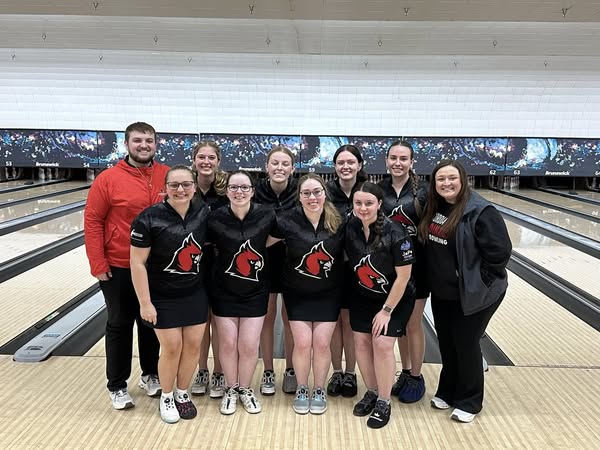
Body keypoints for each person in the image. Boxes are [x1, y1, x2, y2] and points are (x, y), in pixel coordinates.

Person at [417, 160, 511, 423]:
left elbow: (500, 254)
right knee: (447, 342)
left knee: (466, 343)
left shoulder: (480, 211)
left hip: (475, 293)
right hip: (444, 292)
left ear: (463, 180)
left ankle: (469, 401)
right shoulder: (436, 206)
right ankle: (448, 391)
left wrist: (474, 281)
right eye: (440, 180)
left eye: (452, 178)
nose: (446, 183)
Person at [84, 122, 168, 410]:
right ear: (126, 144)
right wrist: (97, 263)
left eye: (148, 140)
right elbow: (93, 221)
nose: (143, 145)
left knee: (151, 323)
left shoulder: (166, 175)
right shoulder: (107, 179)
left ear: (156, 143)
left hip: (157, 267)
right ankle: (117, 385)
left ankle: (150, 374)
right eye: (137, 140)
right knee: (119, 324)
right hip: (119, 264)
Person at [130, 165, 210, 423]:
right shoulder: (148, 218)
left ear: (194, 188)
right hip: (162, 295)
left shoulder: (203, 212)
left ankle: (182, 393)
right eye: (174, 185)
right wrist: (145, 303)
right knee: (173, 347)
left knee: (193, 347)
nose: (180, 189)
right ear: (165, 188)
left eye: (186, 184)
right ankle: (166, 395)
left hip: (194, 292)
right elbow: (137, 263)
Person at [269, 174, 345, 415]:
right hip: (297, 292)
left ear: (324, 194)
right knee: (302, 343)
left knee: (322, 344)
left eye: (316, 192)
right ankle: (302, 388)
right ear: (299, 197)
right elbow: (260, 242)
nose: (312, 197)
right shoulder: (286, 221)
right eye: (306, 193)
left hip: (328, 293)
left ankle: (319, 388)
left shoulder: (338, 221)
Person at [345, 182, 416, 429]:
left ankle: (384, 401)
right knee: (361, 343)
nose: (363, 208)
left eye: (368, 203)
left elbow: (404, 277)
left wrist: (386, 311)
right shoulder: (351, 226)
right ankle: (373, 391)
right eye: (358, 203)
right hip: (363, 297)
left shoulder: (396, 233)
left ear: (379, 204)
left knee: (383, 344)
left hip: (395, 300)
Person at [207, 171, 277, 415]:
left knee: (248, 345)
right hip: (223, 290)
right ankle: (230, 389)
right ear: (226, 191)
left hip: (256, 290)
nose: (239, 192)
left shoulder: (266, 214)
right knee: (227, 343)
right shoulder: (214, 218)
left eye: (244, 187)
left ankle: (245, 390)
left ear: (252, 191)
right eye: (234, 187)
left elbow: (277, 236)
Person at [378, 140, 429, 403]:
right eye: (393, 158)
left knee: (412, 323)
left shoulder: (424, 192)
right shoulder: (379, 189)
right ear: (386, 160)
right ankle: (405, 371)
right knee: (398, 323)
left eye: (403, 158)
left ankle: (416, 375)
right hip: (389, 268)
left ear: (411, 162)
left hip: (418, 266)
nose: (398, 163)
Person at [325, 144, 367, 398]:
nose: (346, 166)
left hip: (358, 269)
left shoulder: (367, 192)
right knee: (334, 322)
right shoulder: (326, 193)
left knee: (350, 323)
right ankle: (336, 371)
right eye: (341, 162)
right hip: (331, 268)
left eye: (351, 162)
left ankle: (350, 373)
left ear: (359, 165)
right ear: (335, 166)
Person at [254, 146, 297, 396]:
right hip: (264, 263)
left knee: (290, 320)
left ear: (292, 168)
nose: (279, 168)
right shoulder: (255, 192)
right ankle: (268, 370)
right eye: (275, 163)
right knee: (266, 319)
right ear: (267, 167)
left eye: (284, 164)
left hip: (293, 263)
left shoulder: (301, 191)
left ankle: (291, 369)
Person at [190, 141, 228, 399]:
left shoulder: (227, 191)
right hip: (193, 266)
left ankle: (219, 371)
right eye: (201, 157)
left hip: (222, 264)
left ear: (218, 160)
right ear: (193, 160)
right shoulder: (186, 188)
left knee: (219, 321)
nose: (206, 162)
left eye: (211, 157)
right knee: (201, 322)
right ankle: (202, 369)